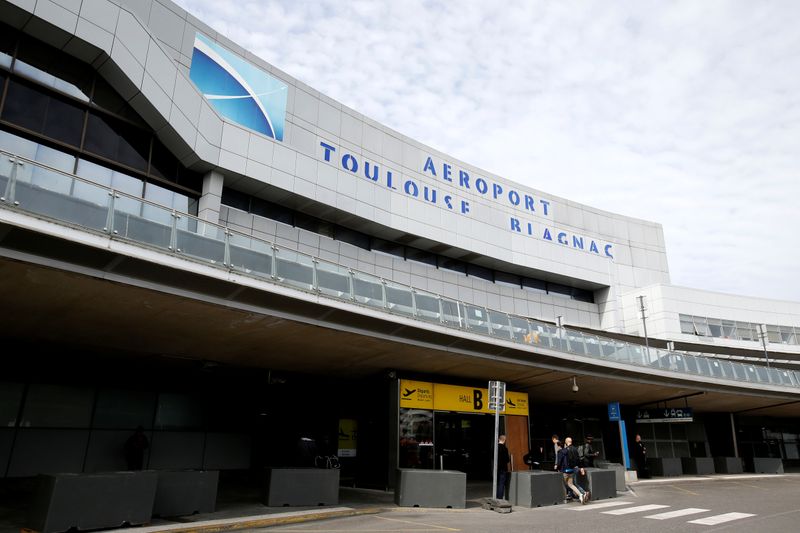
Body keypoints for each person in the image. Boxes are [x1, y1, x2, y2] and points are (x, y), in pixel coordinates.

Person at [557, 437, 589, 504]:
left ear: (566, 442)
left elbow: (560, 461)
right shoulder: (575, 449)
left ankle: (565, 498)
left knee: (564, 484)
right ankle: (581, 495)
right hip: (572, 470)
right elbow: (578, 459)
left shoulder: (564, 450)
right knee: (571, 484)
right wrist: (581, 468)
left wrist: (558, 467)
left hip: (565, 470)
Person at [495, 434, 511, 500]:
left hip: (496, 468)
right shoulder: (505, 448)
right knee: (501, 483)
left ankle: (496, 496)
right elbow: (507, 460)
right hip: (503, 468)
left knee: (497, 482)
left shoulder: (495, 447)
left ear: (499, 439)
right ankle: (500, 498)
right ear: (504, 440)